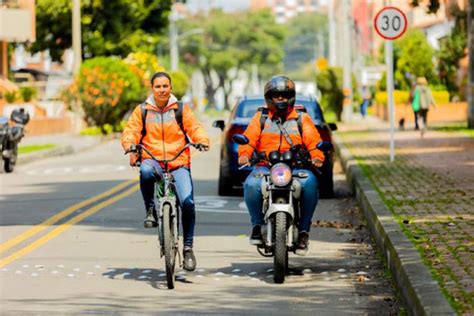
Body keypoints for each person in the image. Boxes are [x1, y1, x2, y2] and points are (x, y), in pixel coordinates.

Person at [121, 71, 210, 271]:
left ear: (170, 88)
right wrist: (130, 145)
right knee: (144, 171)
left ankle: (188, 248)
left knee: (188, 203)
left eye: (165, 86)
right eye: (158, 86)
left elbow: (194, 127)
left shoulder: (180, 109)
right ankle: (150, 209)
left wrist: (202, 140)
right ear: (152, 89)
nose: (162, 90)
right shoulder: (143, 110)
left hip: (178, 161)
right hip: (152, 160)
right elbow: (131, 131)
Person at [237, 75, 325, 256]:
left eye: (284, 96)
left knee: (310, 183)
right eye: (276, 96)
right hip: (265, 166)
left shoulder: (302, 118)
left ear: (291, 97)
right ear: (269, 98)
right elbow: (248, 139)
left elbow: (314, 142)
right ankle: (256, 226)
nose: (280, 99)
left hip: (296, 167)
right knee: (251, 184)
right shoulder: (260, 118)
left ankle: (303, 232)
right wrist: (244, 154)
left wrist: (317, 156)